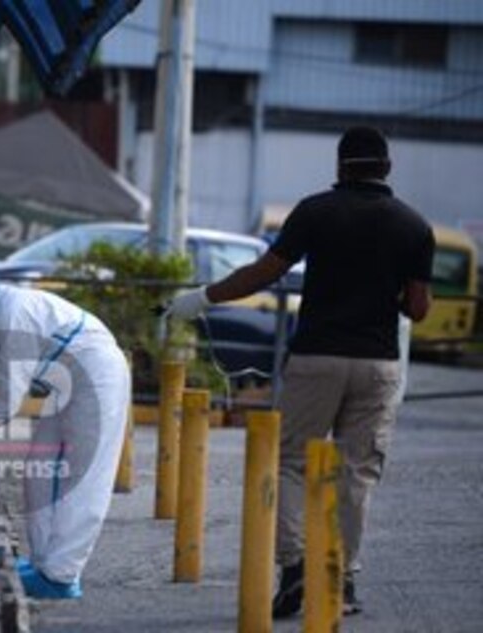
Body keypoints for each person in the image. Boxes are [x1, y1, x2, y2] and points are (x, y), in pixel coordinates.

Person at [163, 126, 434, 618]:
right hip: (377, 364)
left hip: (316, 358)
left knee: (289, 461)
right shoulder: (414, 226)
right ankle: (341, 580)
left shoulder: (314, 212)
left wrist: (203, 297)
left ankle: (294, 570)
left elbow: (264, 273)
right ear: (387, 169)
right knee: (356, 472)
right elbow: (417, 308)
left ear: (338, 166)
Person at [0, 257, 131, 600]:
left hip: (98, 378)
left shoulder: (12, 316)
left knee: (83, 477)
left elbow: (6, 403)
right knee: (41, 471)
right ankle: (43, 563)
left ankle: (62, 576)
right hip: (69, 383)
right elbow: (2, 389)